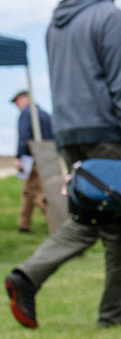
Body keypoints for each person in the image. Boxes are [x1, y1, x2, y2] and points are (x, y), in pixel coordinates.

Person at [6, 0, 121, 329]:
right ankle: (116, 314)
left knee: (89, 216)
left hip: (69, 133)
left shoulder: (57, 23)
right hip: (106, 132)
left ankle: (27, 276)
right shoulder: (110, 16)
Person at [12, 90, 53, 233]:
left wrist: (19, 157)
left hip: (32, 158)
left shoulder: (26, 113)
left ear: (25, 99)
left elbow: (24, 137)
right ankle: (24, 225)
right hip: (48, 156)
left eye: (17, 101)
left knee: (37, 193)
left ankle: (56, 224)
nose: (17, 105)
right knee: (29, 191)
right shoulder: (46, 114)